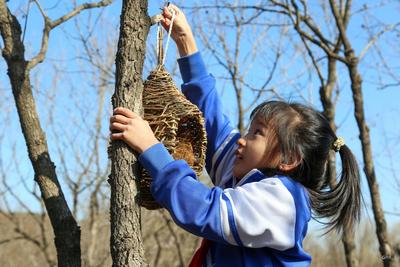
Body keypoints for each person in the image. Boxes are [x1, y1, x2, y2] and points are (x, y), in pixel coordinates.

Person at [109, 4, 361, 267]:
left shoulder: (284, 201)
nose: (242, 139)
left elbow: (204, 209)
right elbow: (213, 128)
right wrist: (186, 43)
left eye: (257, 134)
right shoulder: (246, 176)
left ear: (288, 159)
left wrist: (151, 147)